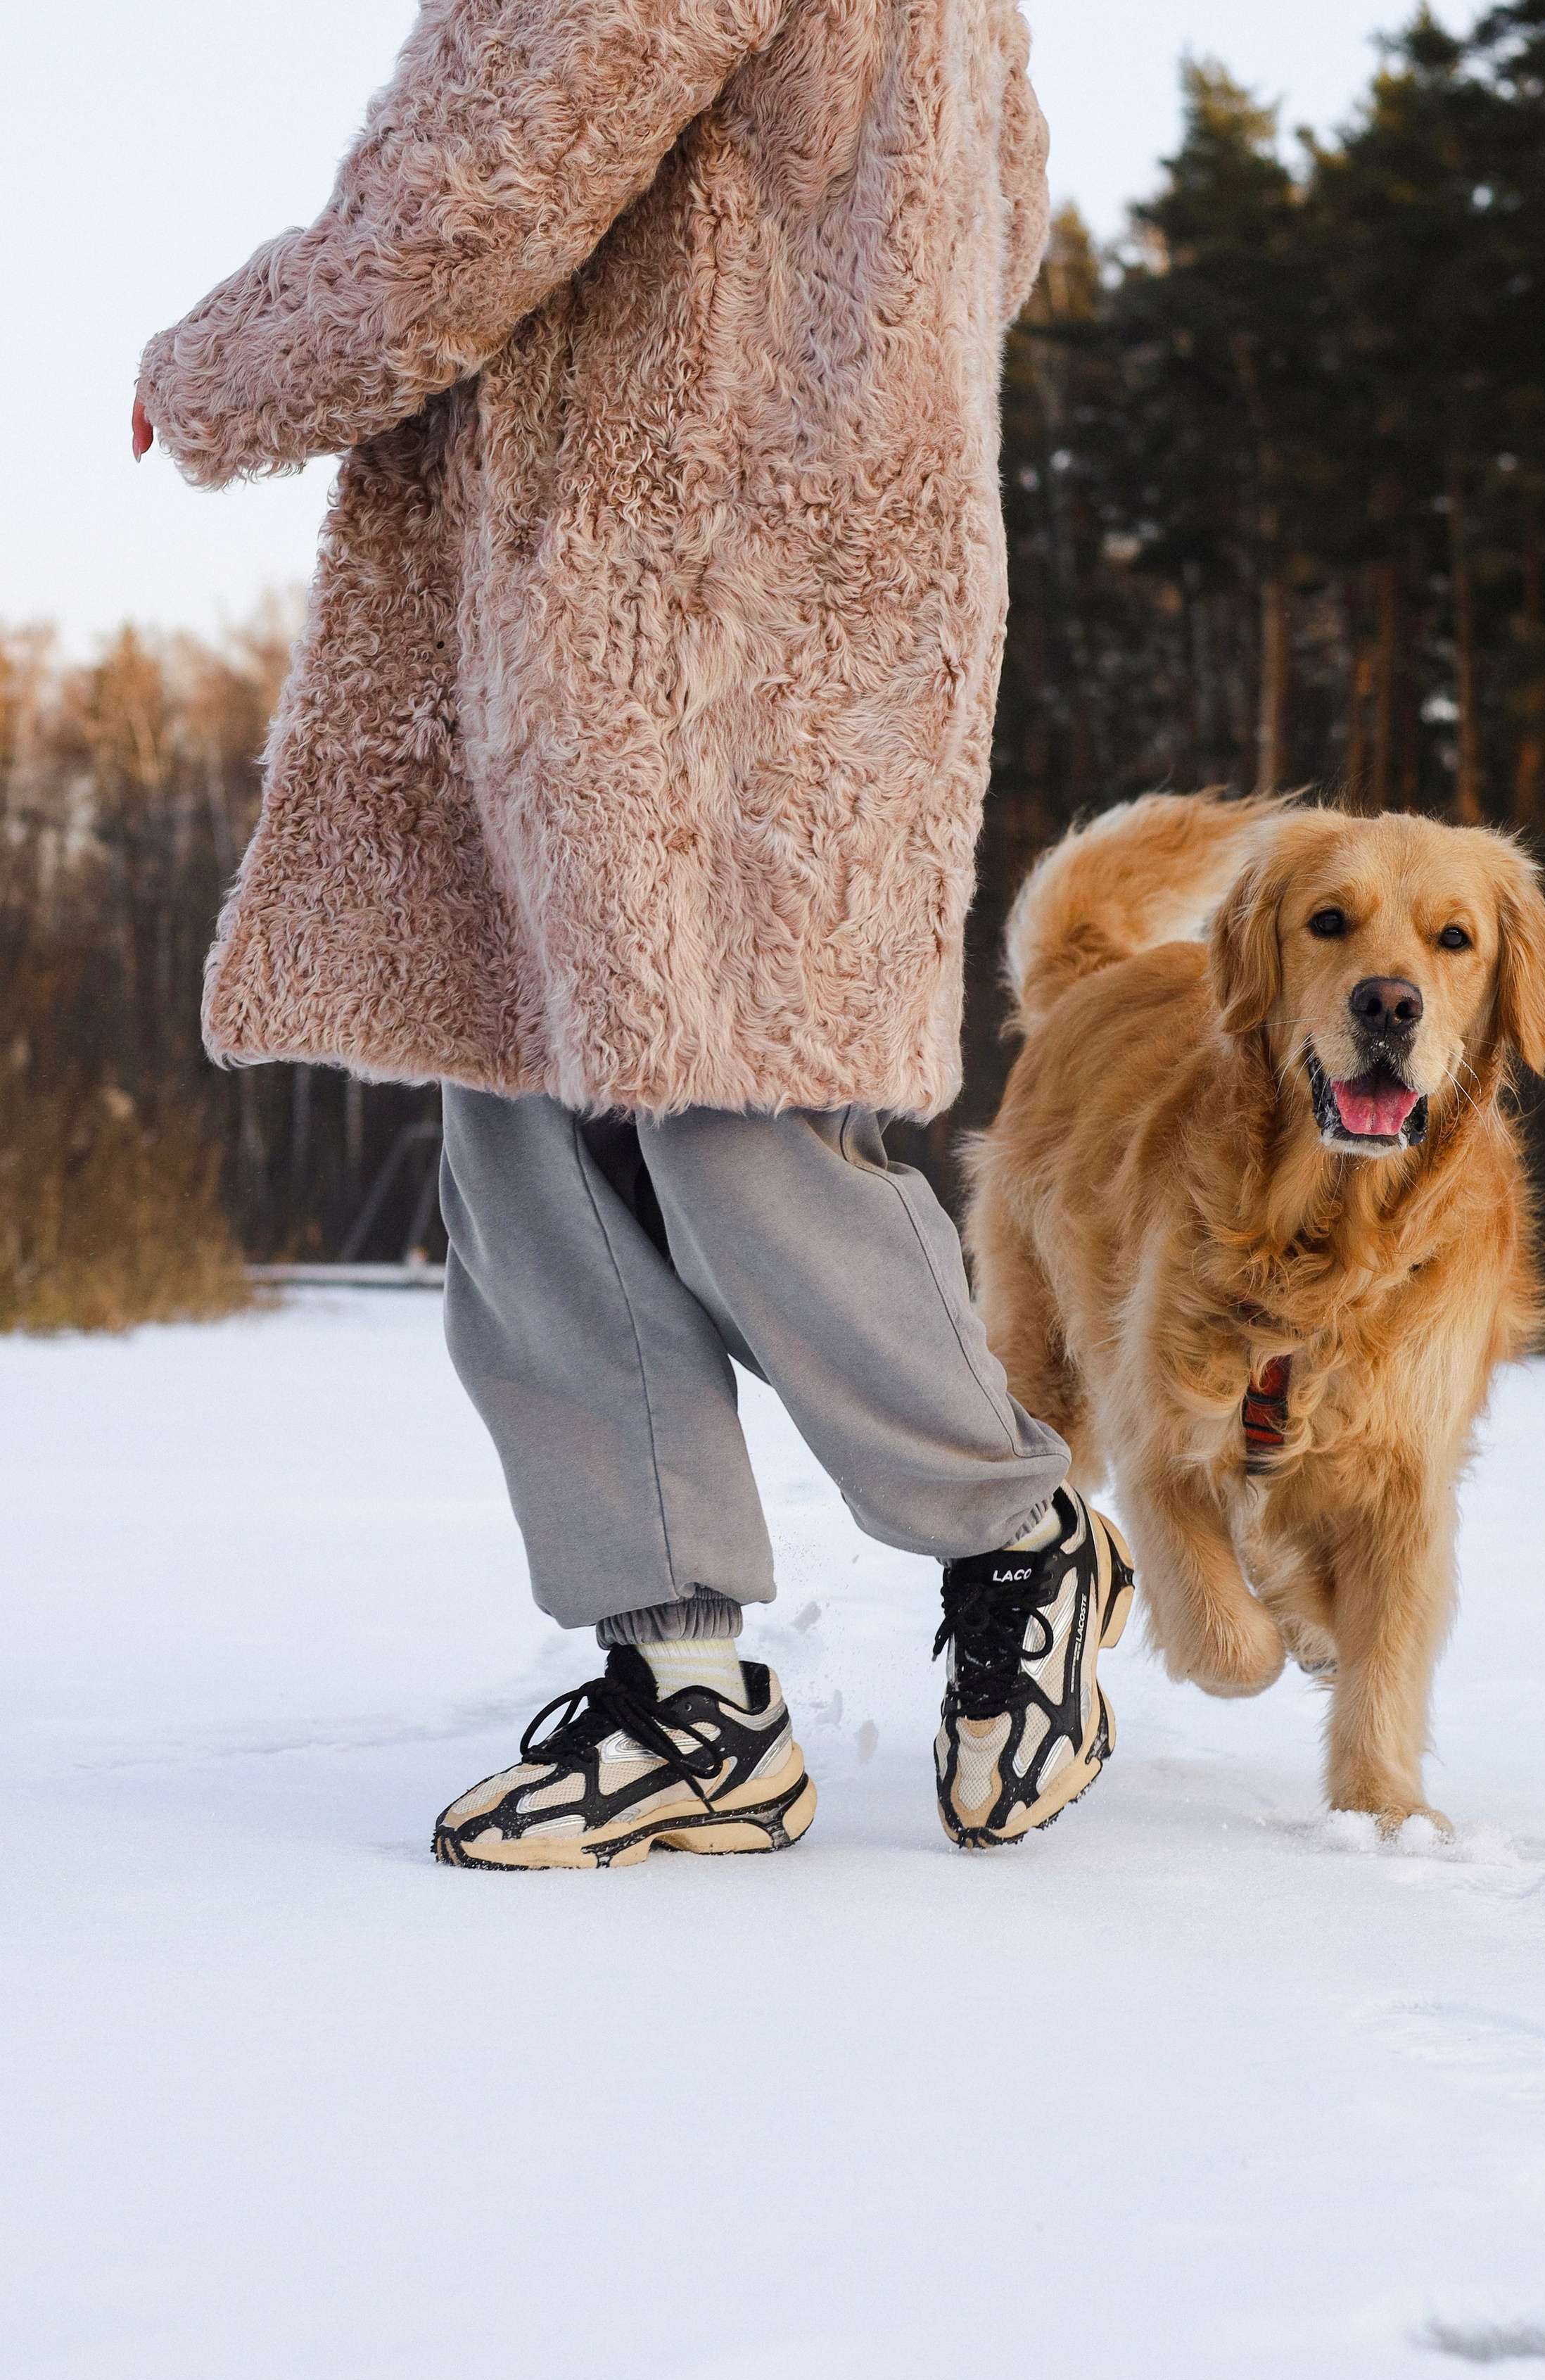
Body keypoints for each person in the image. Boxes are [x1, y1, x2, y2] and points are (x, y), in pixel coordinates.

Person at [134, 0, 1132, 1866]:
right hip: (734, 567)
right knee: (532, 1101)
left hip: (677, 579)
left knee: (725, 1111)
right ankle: (680, 1686)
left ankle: (1018, 1535)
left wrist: (215, 371)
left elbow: (478, 196)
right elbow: (1006, 218)